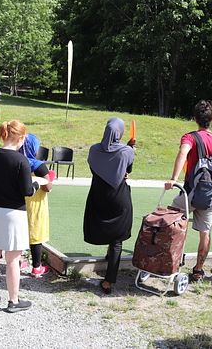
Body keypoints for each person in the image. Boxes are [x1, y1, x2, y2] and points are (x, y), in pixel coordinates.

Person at [164, 100, 212, 282]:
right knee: (205, 232)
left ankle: (171, 259)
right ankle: (198, 270)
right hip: (210, 196)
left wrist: (174, 179)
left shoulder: (190, 137)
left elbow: (183, 153)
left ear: (195, 119)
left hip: (189, 192)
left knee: (171, 219)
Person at [0, 120, 39, 312]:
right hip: (14, 213)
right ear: (20, 137)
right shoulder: (21, 161)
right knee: (13, 259)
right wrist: (37, 185)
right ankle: (13, 300)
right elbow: (27, 191)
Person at [84, 118, 135, 294]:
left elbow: (96, 168)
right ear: (120, 133)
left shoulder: (93, 149)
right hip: (118, 196)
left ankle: (107, 256)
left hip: (98, 194)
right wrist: (131, 148)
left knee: (102, 225)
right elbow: (127, 170)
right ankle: (108, 282)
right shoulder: (126, 151)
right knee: (117, 239)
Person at [20, 133, 54, 277]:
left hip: (19, 201)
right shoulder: (38, 165)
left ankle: (19, 261)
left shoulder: (18, 161)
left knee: (20, 232)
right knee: (36, 234)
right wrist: (51, 178)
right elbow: (48, 187)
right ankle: (36, 267)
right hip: (35, 203)